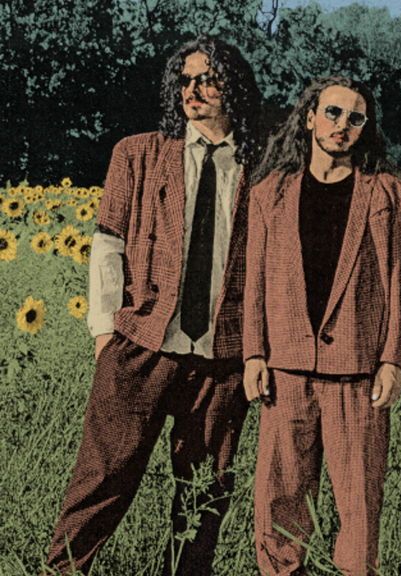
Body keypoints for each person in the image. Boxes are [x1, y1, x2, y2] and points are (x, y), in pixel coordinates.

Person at [46, 36, 262, 575]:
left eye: (207, 79)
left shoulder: (262, 165)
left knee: (204, 491)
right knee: (102, 478)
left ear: (234, 86)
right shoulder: (138, 153)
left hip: (223, 356)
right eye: (185, 80)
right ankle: (61, 570)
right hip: (142, 343)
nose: (193, 90)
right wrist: (105, 335)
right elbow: (108, 243)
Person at [243, 76, 401, 576]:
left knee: (358, 505)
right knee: (279, 500)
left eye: (355, 118)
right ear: (310, 117)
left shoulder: (389, 194)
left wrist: (393, 360)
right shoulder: (270, 193)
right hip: (286, 371)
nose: (342, 125)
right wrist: (254, 353)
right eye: (333, 113)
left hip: (357, 374)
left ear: (366, 128)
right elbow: (254, 280)